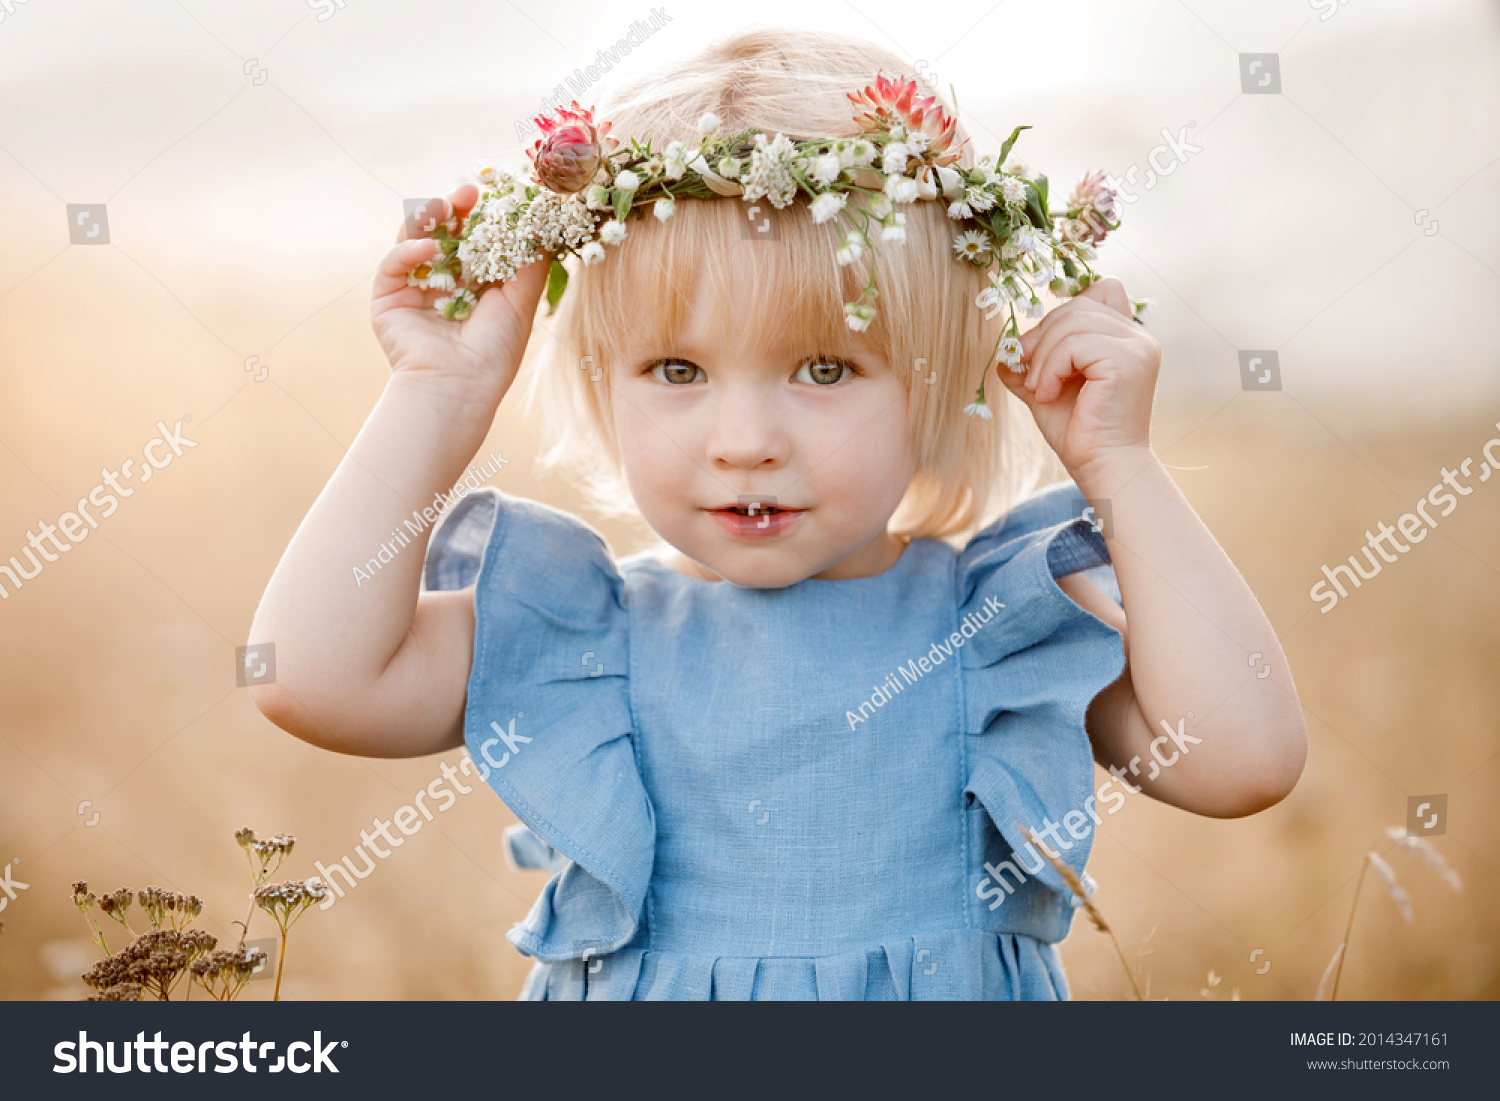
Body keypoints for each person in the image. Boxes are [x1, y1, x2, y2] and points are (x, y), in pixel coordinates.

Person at [248, 27, 1307, 1000]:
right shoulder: (591, 638)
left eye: (824, 366)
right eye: (676, 368)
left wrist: (1120, 466)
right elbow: (306, 677)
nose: (743, 436)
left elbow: (1243, 761)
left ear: (945, 383)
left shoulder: (992, 629)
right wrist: (436, 400)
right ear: (601, 384)